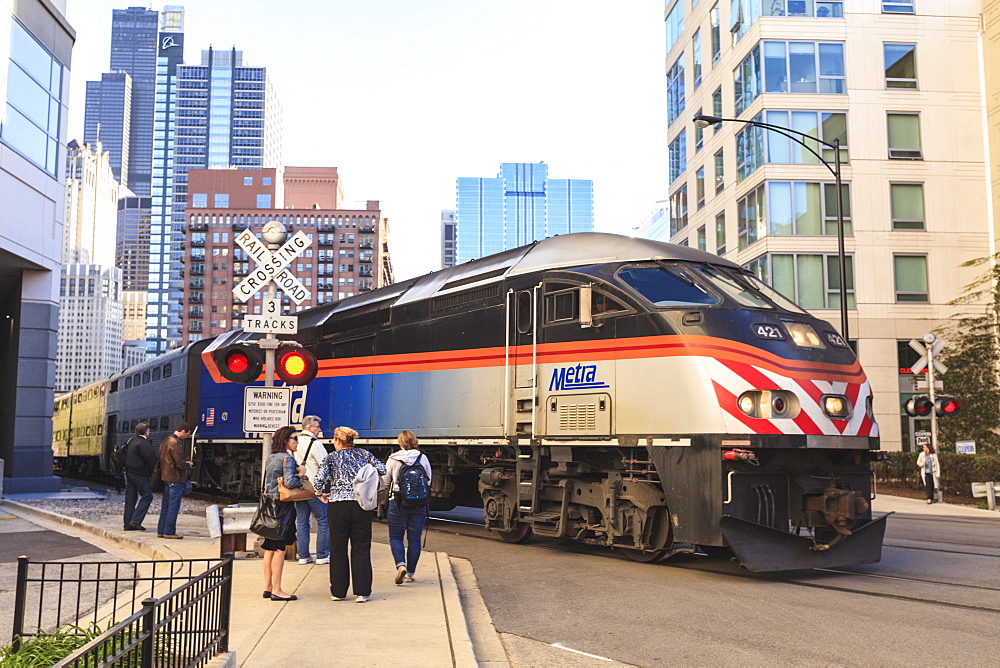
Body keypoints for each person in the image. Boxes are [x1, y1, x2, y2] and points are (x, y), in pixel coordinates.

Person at [314, 426, 386, 603]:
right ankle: (362, 592)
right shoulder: (364, 454)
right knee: (361, 547)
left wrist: (320, 494)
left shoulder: (331, 458)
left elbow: (318, 480)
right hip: (361, 505)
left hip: (338, 506)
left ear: (338, 441)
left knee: (338, 549)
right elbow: (383, 469)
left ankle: (338, 591)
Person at [262, 425, 305, 602]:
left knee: (270, 548)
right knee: (280, 549)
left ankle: (268, 587)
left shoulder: (271, 457)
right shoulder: (288, 459)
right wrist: (300, 474)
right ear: (285, 440)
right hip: (282, 508)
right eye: (295, 438)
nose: (297, 442)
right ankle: (278, 590)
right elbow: (291, 482)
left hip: (268, 505)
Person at [385, 430, 432, 584]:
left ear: (400, 442)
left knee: (396, 537)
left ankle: (400, 566)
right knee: (414, 539)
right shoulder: (422, 458)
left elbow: (386, 482)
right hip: (419, 503)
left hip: (397, 502)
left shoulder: (393, 459)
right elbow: (428, 480)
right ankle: (410, 574)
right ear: (414, 441)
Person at [293, 415, 330, 565]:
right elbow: (325, 465)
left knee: (301, 522)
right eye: (317, 427)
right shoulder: (315, 444)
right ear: (309, 428)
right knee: (323, 520)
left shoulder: (295, 442)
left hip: (299, 488)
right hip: (314, 488)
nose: (319, 430)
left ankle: (303, 556)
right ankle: (322, 555)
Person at [156, 422, 194, 538]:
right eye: (187, 434)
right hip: (175, 478)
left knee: (166, 506)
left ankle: (161, 531)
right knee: (173, 506)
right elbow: (179, 463)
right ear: (183, 431)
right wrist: (188, 464)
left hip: (166, 477)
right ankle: (169, 532)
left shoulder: (165, 441)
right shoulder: (176, 443)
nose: (186, 437)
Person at [122, 422, 156, 531]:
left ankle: (127, 524)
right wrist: (153, 473)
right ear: (146, 431)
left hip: (128, 473)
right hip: (140, 474)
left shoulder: (131, 441)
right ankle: (135, 521)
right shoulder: (144, 443)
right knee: (147, 496)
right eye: (149, 430)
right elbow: (151, 459)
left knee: (130, 499)